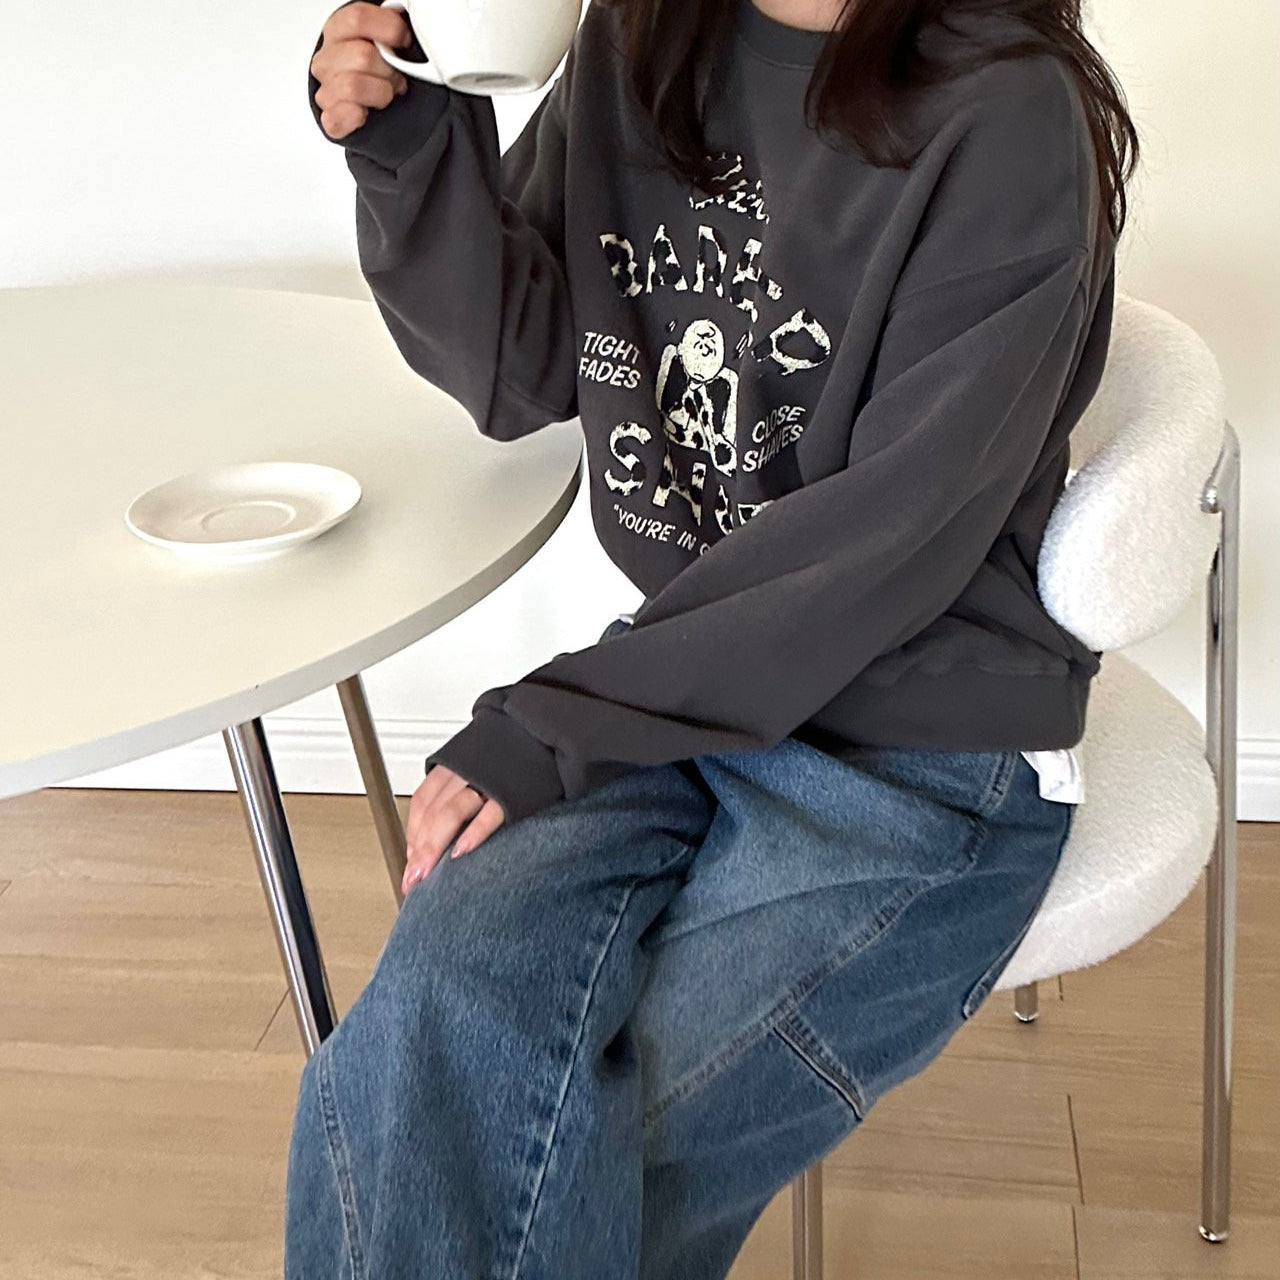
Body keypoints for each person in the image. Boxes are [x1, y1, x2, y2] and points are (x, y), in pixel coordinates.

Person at [290, 1, 1137, 1275]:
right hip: (682, 690)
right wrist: (413, 145)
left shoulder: (1004, 108)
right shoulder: (643, 31)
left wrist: (553, 723)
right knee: (428, 1035)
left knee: (547, 1167)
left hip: (916, 748)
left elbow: (889, 535)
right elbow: (522, 370)